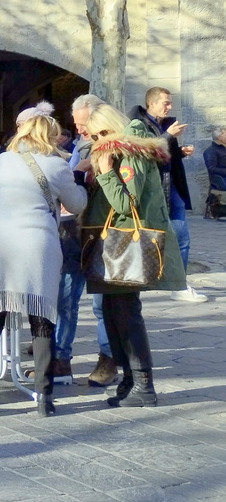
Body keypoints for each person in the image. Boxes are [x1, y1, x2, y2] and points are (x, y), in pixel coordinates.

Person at [0, 107, 86, 418]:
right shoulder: (58, 165)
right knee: (41, 322)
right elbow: (76, 203)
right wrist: (81, 178)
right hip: (38, 246)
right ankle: (44, 398)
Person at [83, 102, 186, 407]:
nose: (99, 139)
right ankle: (129, 379)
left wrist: (103, 173)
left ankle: (144, 384)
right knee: (114, 314)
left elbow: (127, 204)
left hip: (125, 241)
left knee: (127, 314)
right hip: (113, 241)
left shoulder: (129, 151)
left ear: (114, 126)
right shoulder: (120, 150)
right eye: (94, 135)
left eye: (102, 132)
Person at [53, 94, 116, 389]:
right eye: (76, 124)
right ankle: (60, 358)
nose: (77, 129)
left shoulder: (115, 149)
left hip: (102, 233)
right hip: (74, 232)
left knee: (101, 303)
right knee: (65, 298)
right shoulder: (80, 146)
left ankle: (108, 358)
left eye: (82, 124)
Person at [129, 87, 204, 303]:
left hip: (172, 187)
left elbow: (164, 156)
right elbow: (147, 153)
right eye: (166, 102)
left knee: (181, 237)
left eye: (170, 103)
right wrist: (168, 135)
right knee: (153, 237)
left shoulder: (165, 123)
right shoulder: (138, 125)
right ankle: (153, 281)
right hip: (154, 191)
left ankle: (179, 284)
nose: (169, 106)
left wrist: (180, 152)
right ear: (151, 103)